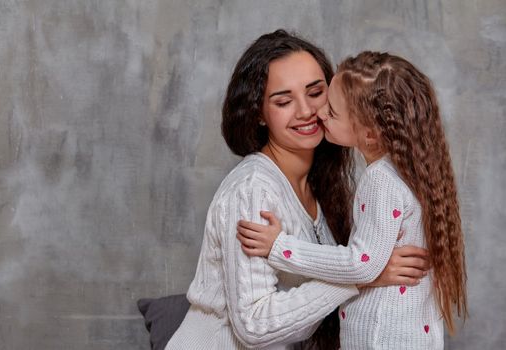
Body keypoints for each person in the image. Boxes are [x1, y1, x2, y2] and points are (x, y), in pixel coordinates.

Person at [166, 31, 428, 350]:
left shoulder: (325, 183)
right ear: (259, 113)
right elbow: (255, 325)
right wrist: (362, 276)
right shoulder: (253, 190)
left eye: (316, 93)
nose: (307, 111)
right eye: (283, 101)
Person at [237, 51, 467, 349]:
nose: (320, 114)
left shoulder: (380, 180)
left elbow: (361, 265)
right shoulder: (412, 171)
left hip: (379, 338)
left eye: (332, 112)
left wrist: (280, 247)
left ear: (369, 134)